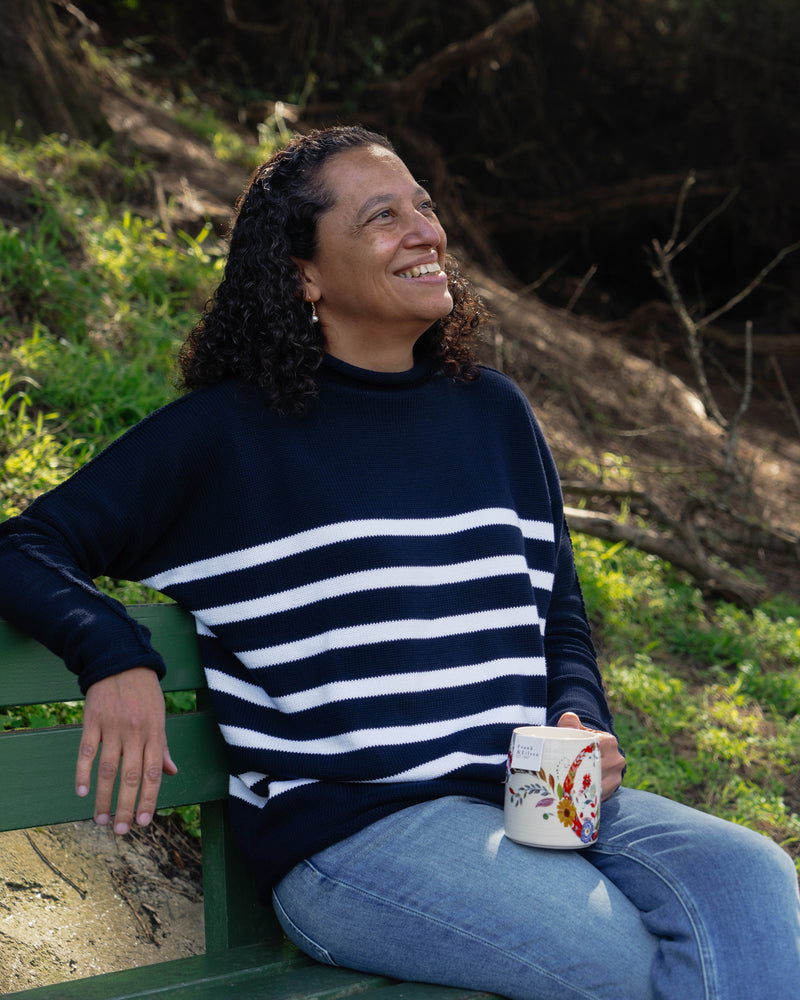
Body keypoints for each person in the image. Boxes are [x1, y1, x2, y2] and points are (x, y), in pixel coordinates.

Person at [0, 125, 798, 1000]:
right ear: (303, 273)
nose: (426, 231)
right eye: (382, 216)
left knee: (752, 880)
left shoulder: (495, 415)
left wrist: (577, 718)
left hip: (527, 800)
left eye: (423, 204)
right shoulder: (226, 439)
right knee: (632, 969)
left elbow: (557, 616)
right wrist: (115, 657)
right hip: (356, 839)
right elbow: (23, 547)